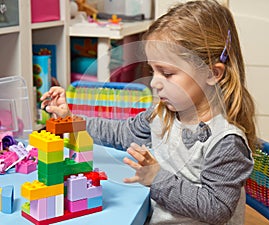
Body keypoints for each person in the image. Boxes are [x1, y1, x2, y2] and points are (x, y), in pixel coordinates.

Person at [41, 0, 258, 224]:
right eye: (153, 71)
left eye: (167, 73)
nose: (154, 82)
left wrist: (156, 178)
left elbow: (217, 208)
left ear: (212, 73)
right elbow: (120, 133)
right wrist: (71, 120)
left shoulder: (226, 142)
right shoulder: (162, 114)